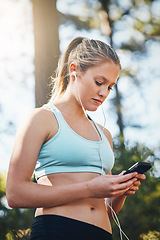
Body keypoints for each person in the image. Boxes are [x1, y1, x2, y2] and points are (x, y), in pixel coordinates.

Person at [6, 37, 146, 240]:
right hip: (56, 231)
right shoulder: (42, 118)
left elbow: (106, 209)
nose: (103, 92)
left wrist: (120, 191)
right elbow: (15, 194)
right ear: (74, 70)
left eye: (110, 86)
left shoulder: (103, 134)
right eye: (99, 82)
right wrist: (90, 188)